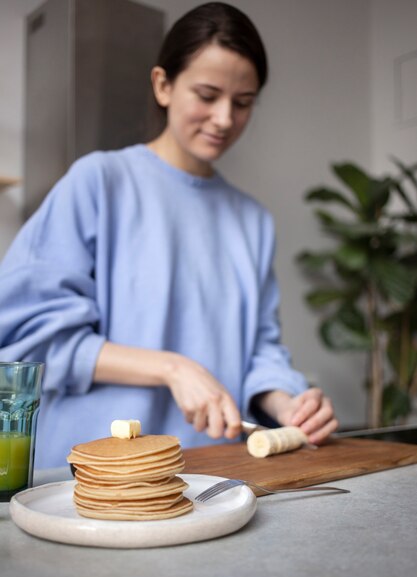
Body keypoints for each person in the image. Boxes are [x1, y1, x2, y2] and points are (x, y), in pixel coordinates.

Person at [0, 2, 338, 468]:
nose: (224, 118)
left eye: (243, 103)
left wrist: (287, 405)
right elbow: (28, 340)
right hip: (96, 477)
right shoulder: (99, 182)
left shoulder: (252, 220)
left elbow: (261, 348)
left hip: (214, 475)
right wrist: (172, 368)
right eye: (207, 94)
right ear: (163, 85)